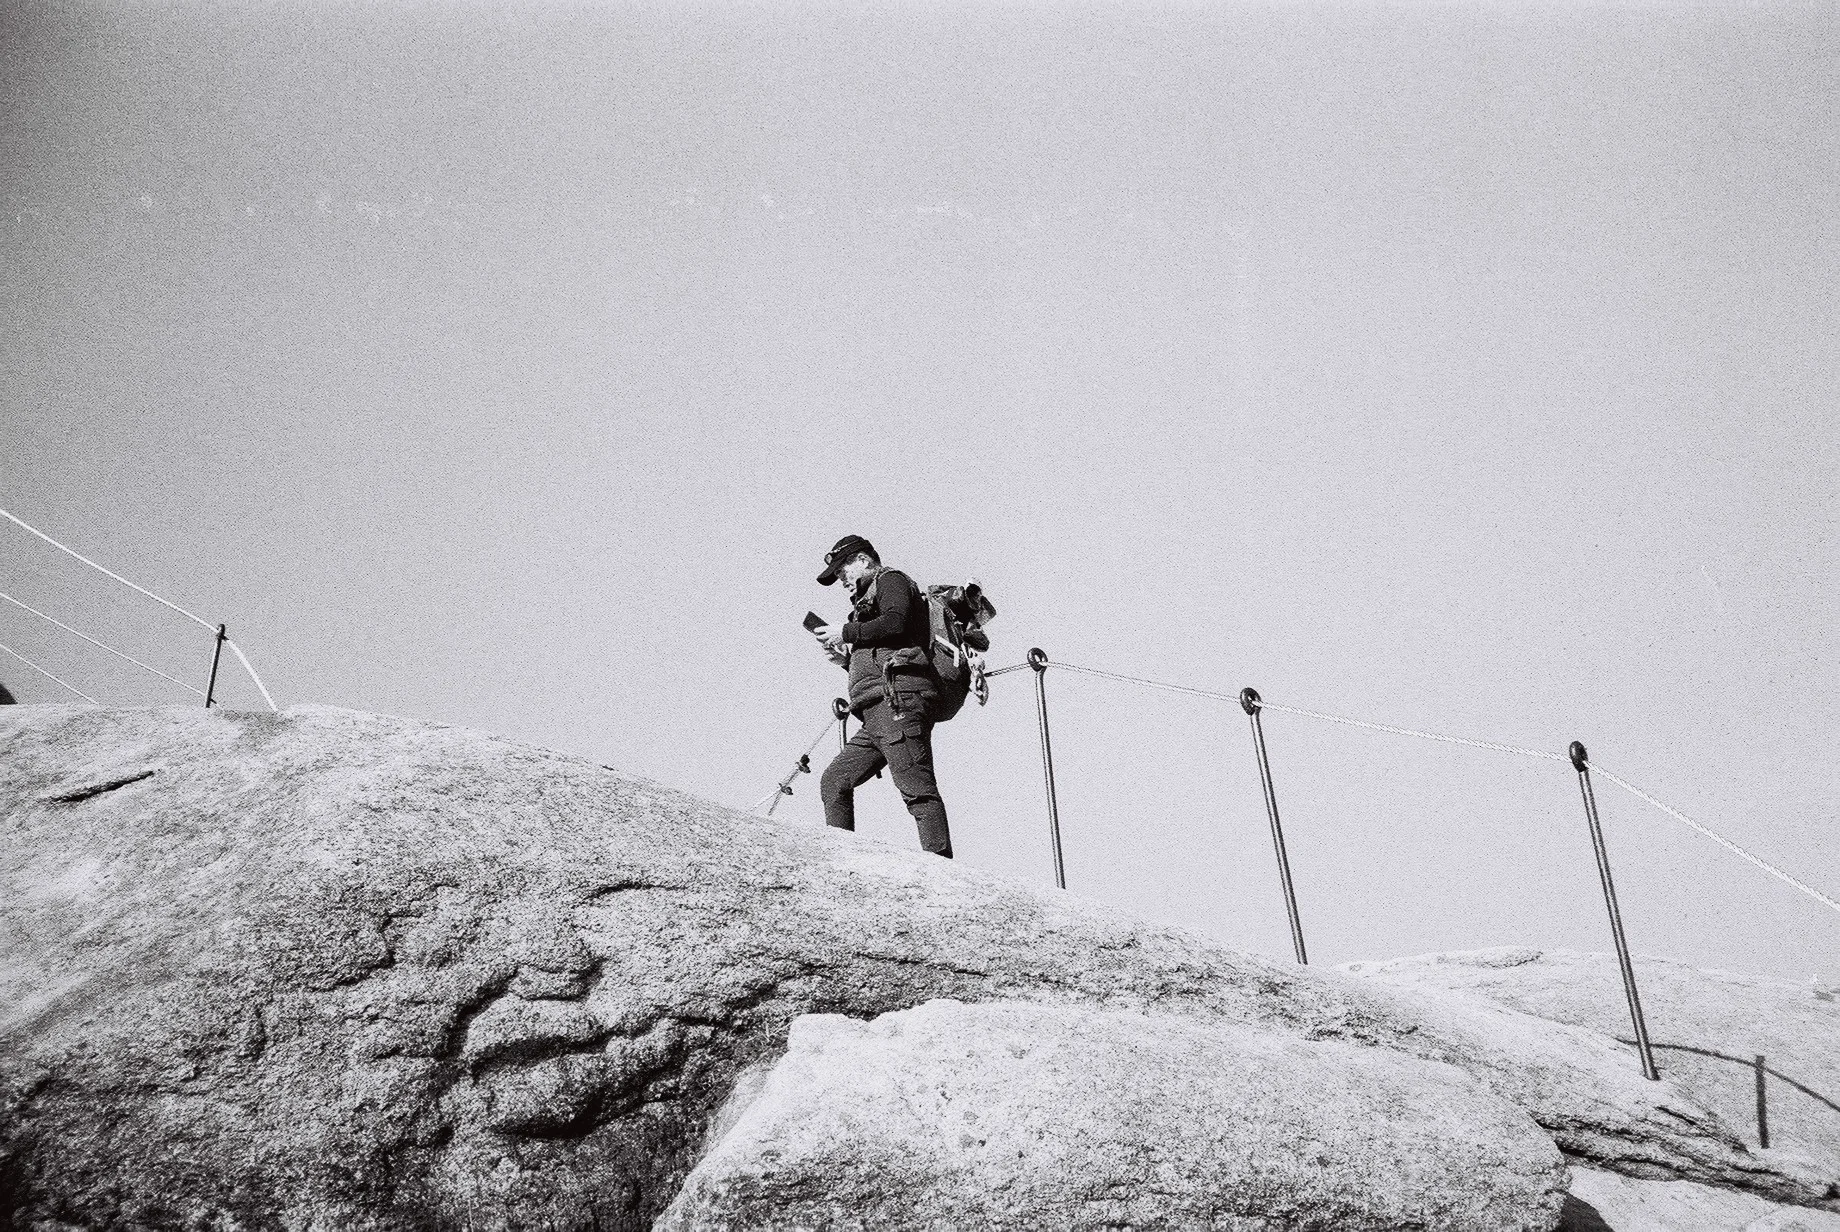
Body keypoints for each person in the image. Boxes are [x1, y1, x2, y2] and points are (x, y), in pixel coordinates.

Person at [811, 535, 952, 858]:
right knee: (835, 781)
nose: (841, 579)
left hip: (897, 703)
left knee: (917, 789)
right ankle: (841, 860)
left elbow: (895, 621)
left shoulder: (891, 580)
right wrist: (846, 660)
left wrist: (844, 632)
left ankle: (942, 870)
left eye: (843, 569)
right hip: (876, 712)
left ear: (862, 559)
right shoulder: (867, 599)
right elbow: (882, 651)